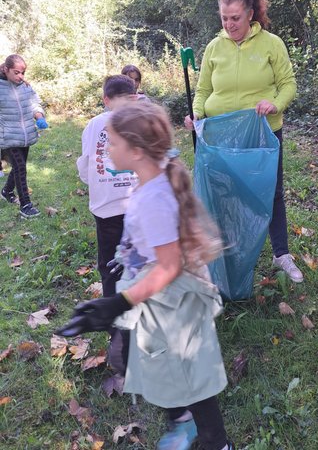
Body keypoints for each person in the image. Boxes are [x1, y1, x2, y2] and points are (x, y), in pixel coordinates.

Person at [57, 101, 233, 450]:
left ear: (136, 151)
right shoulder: (148, 179)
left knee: (188, 373)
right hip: (154, 292)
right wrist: (126, 256)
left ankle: (216, 442)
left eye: (113, 142)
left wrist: (119, 303)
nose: (108, 148)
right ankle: (182, 419)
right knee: (145, 359)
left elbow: (168, 265)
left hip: (173, 300)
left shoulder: (155, 196)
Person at [184, 0, 303, 283]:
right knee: (222, 193)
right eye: (224, 18)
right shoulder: (214, 47)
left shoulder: (271, 44)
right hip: (220, 133)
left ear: (250, 15)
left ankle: (281, 253)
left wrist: (275, 104)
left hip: (263, 132)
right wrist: (196, 113)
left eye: (235, 18)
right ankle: (223, 257)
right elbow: (203, 90)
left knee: (271, 192)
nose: (229, 24)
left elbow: (288, 84)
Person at [76, 74, 138, 374]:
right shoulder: (140, 122)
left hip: (107, 210)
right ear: (135, 98)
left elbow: (86, 166)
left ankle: (117, 329)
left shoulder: (93, 125)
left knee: (111, 266)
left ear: (106, 100)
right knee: (138, 261)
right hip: (137, 206)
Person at [0, 54, 48, 217]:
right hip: (8, 137)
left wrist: (39, 116)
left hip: (26, 134)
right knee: (20, 167)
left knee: (18, 167)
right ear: (6, 69)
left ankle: (7, 191)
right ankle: (26, 205)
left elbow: (35, 104)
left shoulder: (25, 86)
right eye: (16, 72)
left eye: (23, 73)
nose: (20, 76)